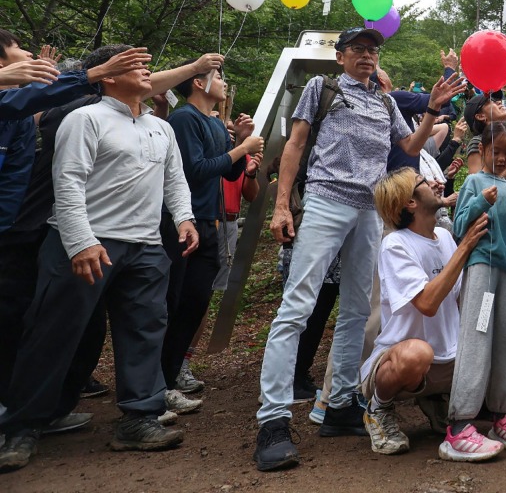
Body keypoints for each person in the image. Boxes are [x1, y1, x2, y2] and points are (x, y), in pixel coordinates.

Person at [254, 27, 465, 473]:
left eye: (373, 50)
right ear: (341, 56)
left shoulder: (385, 101)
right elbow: (294, 144)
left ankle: (341, 406)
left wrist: (431, 109)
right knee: (297, 305)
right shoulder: (321, 88)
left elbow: (408, 147)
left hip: (369, 211)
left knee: (354, 311)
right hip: (327, 201)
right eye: (358, 50)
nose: (367, 56)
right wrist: (280, 206)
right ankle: (272, 420)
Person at [0, 45, 199, 472]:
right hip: (83, 243)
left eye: (148, 67)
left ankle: (139, 418)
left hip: (145, 246)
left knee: (146, 328)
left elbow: (175, 179)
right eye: (136, 67)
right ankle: (22, 427)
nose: (148, 73)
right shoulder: (84, 118)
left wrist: (184, 218)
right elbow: (67, 181)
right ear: (106, 76)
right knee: (53, 332)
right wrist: (80, 241)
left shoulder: (160, 127)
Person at [358, 168, 491, 456]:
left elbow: (457, 299)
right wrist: (465, 246)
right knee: (417, 353)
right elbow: (428, 304)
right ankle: (378, 409)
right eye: (423, 181)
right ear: (411, 203)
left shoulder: (443, 236)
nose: (436, 182)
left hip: (452, 359)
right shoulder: (395, 244)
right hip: (408, 360)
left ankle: (439, 400)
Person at [159, 66, 264, 415]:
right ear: (199, 83)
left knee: (195, 301)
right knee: (172, 303)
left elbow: (229, 172)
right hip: (180, 223)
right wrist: (243, 147)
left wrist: (238, 146)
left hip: (210, 223)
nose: (224, 83)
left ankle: (171, 376)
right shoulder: (184, 119)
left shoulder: (218, 124)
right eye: (220, 77)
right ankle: (157, 383)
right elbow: (195, 169)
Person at [443, 122, 506, 461]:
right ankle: (460, 423)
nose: (503, 157)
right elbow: (459, 227)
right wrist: (479, 202)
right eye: (497, 152)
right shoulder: (476, 182)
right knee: (477, 336)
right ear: (483, 152)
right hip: (482, 268)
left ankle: (501, 414)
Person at [463, 90, 506, 174]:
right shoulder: (478, 142)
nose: (499, 102)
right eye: (490, 101)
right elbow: (477, 183)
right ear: (481, 116)